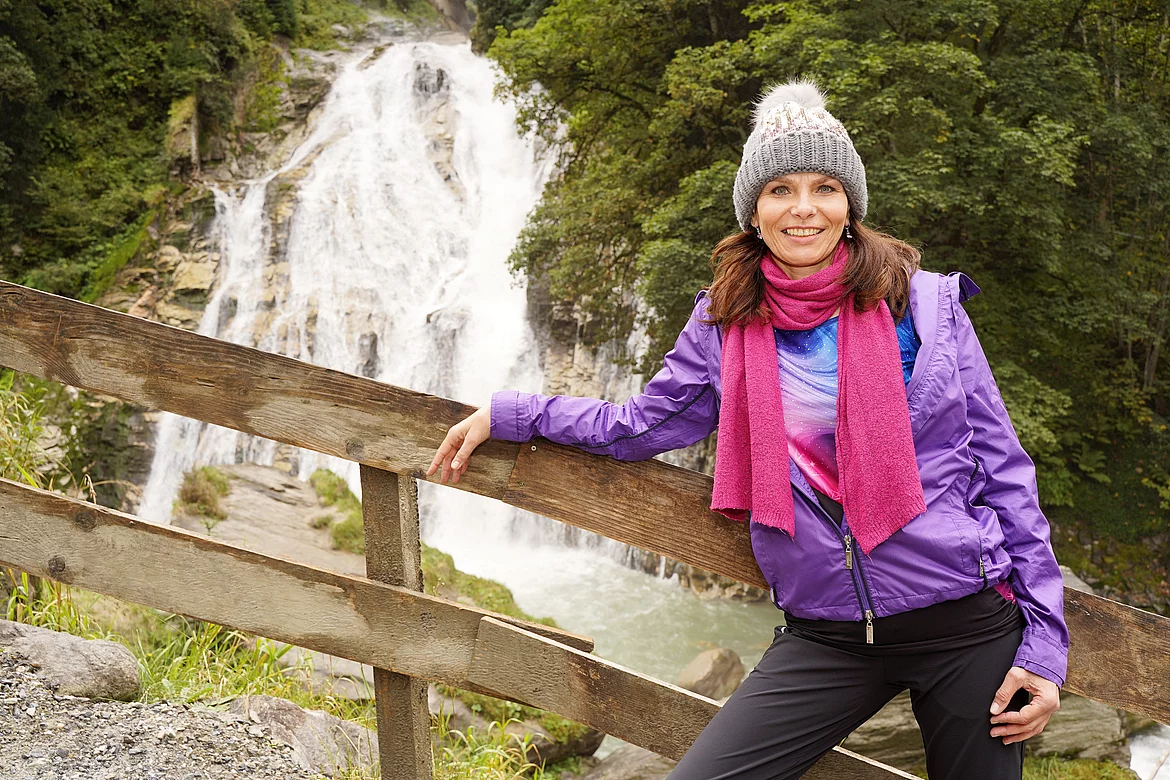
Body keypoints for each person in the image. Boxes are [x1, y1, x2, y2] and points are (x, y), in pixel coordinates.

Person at [426, 78, 1068, 780]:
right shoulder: (724, 320)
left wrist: (1045, 647)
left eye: (825, 187)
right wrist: (515, 413)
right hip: (828, 635)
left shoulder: (923, 306)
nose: (803, 207)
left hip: (966, 624)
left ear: (850, 205)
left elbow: (1004, 469)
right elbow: (637, 425)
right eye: (780, 189)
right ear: (753, 211)